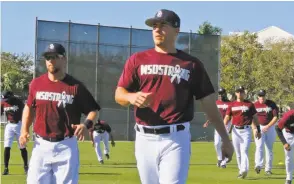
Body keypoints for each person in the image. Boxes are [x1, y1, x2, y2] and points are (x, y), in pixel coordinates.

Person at [115, 9, 234, 184]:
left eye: (163, 25)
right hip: (144, 138)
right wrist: (132, 97)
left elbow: (209, 105)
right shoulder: (137, 60)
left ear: (177, 30)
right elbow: (119, 94)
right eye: (154, 26)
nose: (157, 29)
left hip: (175, 138)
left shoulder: (191, 64)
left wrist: (225, 139)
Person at [19, 43, 101, 184]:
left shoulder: (76, 86)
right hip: (41, 145)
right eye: (48, 57)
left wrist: (86, 125)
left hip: (66, 146)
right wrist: (24, 130)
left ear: (64, 59)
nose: (51, 60)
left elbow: (94, 110)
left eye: (55, 57)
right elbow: (29, 107)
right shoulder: (36, 84)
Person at [224, 86, 262, 179]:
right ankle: (241, 170)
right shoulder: (232, 104)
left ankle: (244, 169)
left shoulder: (249, 104)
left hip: (246, 130)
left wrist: (258, 129)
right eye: (238, 92)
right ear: (236, 93)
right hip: (235, 130)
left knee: (244, 150)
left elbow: (255, 118)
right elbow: (227, 117)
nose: (239, 94)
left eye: (241, 92)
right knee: (238, 152)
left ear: (244, 93)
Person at [203, 88, 232, 168]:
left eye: (222, 93)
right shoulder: (216, 103)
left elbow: (231, 115)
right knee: (216, 143)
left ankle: (223, 162)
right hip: (218, 123)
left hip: (227, 124)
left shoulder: (229, 103)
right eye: (219, 93)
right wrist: (207, 122)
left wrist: (231, 126)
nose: (220, 95)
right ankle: (219, 158)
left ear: (225, 94)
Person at [1, 91, 28, 175]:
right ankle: (6, 168)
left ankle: (26, 166)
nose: (6, 100)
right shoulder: (3, 103)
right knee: (7, 147)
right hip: (9, 125)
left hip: (19, 124)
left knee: (22, 146)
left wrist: (25, 126)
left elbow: (26, 112)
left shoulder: (18, 102)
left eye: (7, 98)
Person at [253, 89, 279, 175]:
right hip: (259, 127)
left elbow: (275, 117)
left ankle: (268, 169)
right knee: (259, 146)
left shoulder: (271, 104)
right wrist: (254, 129)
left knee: (269, 148)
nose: (261, 97)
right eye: (260, 96)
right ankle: (258, 165)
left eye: (263, 95)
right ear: (258, 96)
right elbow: (251, 118)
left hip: (270, 127)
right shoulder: (254, 105)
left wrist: (268, 126)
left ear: (265, 96)